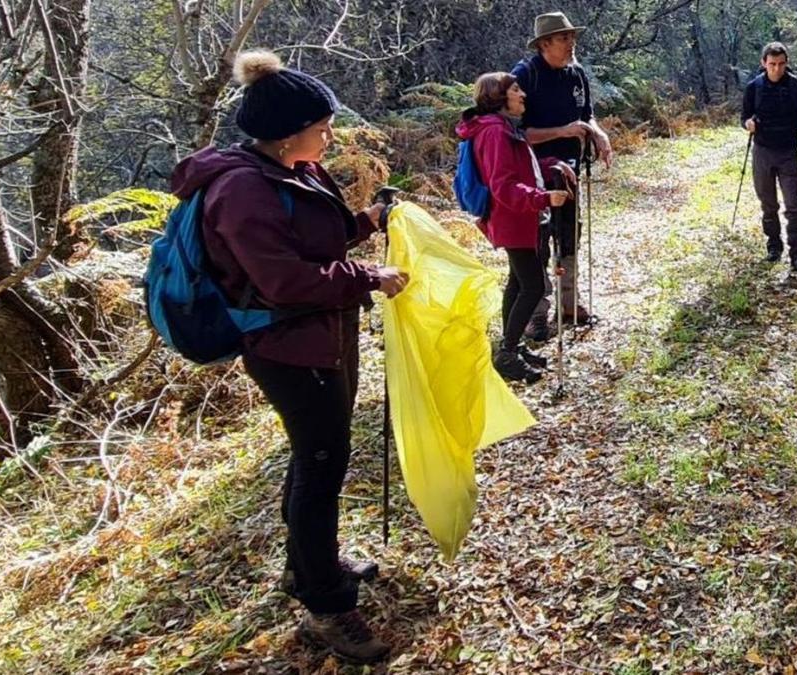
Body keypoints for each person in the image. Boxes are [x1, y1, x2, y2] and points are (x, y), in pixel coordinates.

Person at [169, 50, 408, 665]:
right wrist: (368, 276)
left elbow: (315, 241)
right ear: (286, 132)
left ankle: (310, 564)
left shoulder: (293, 169)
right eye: (323, 125)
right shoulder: (242, 190)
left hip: (323, 336)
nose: (331, 135)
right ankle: (327, 602)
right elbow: (283, 281)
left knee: (316, 459)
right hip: (288, 347)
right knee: (321, 465)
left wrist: (367, 221)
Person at [456, 72, 575, 383]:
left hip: (519, 218)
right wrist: (543, 198)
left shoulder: (504, 129)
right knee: (532, 285)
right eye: (516, 89)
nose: (523, 95)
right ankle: (507, 354)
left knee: (517, 283)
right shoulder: (495, 132)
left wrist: (552, 165)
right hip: (513, 219)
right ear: (499, 96)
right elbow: (503, 185)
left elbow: (523, 166)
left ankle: (513, 346)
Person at [512, 11, 614, 338]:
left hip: (570, 172)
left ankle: (569, 303)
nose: (571, 43)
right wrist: (562, 131)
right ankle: (535, 314)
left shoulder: (576, 73)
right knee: (538, 242)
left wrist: (598, 134)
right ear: (544, 43)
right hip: (534, 175)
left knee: (570, 235)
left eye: (572, 36)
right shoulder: (525, 76)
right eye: (563, 37)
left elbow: (587, 115)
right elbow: (517, 134)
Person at [741, 41, 797, 272]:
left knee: (793, 204)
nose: (776, 69)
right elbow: (744, 117)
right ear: (763, 63)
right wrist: (749, 124)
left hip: (787, 151)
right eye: (772, 64)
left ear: (786, 63)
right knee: (768, 203)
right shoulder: (753, 87)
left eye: (781, 64)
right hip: (763, 150)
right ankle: (774, 246)